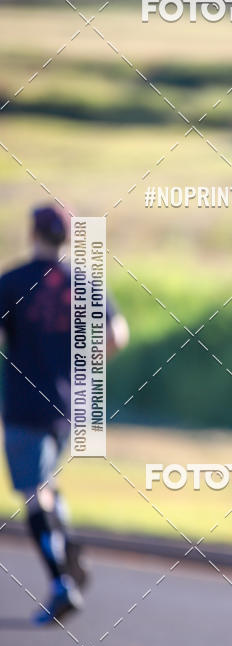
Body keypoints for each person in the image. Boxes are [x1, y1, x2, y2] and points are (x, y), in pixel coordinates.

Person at [0, 206, 129, 624]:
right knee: (46, 483)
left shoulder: (13, 282)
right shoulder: (84, 281)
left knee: (33, 489)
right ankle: (69, 547)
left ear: (33, 231)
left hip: (24, 404)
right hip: (70, 405)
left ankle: (61, 583)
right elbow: (117, 335)